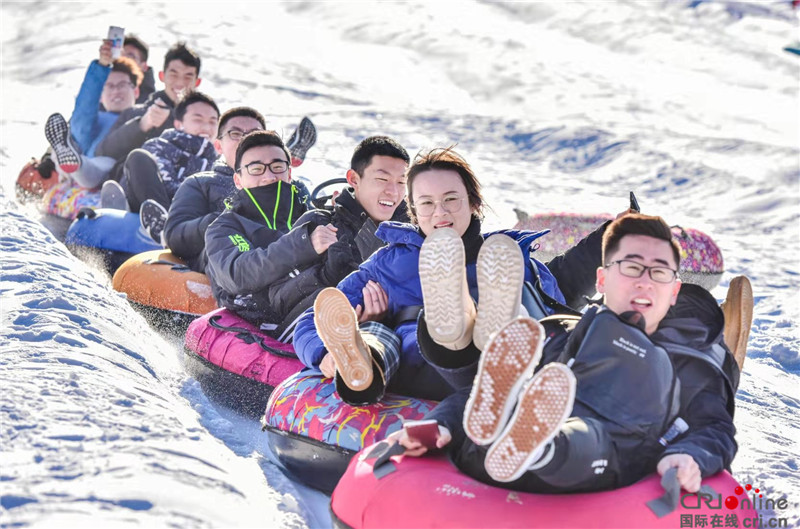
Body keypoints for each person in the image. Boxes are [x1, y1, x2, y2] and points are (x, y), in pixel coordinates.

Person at [394, 213, 743, 496]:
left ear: (673, 291)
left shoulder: (691, 358)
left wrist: (690, 455)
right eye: (632, 267)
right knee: (518, 395)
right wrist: (442, 423)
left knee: (587, 438)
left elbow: (714, 428)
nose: (645, 282)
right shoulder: (567, 333)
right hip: (512, 459)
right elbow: (487, 390)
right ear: (602, 280)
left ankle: (541, 445)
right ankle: (513, 435)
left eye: (660, 272)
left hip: (607, 454)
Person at [293, 147, 607, 406]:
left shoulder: (510, 259)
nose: (439, 212)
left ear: (473, 202)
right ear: (414, 211)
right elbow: (312, 321)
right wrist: (324, 354)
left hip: (499, 366)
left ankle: (489, 326)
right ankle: (362, 364)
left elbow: (556, 319)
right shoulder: (388, 262)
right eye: (426, 203)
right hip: (418, 367)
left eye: (451, 199)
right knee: (376, 334)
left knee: (524, 314)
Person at [260, 135, 411, 341]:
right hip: (317, 335)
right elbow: (278, 300)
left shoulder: (411, 232)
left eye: (402, 182)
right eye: (382, 179)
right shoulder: (320, 224)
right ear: (354, 179)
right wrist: (325, 277)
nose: (393, 191)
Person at [205, 130, 324, 336]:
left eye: (277, 167)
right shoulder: (224, 227)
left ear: (289, 173)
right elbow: (239, 274)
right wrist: (304, 244)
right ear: (238, 179)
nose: (269, 176)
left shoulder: (312, 217)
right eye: (256, 168)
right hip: (264, 323)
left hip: (323, 305)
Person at [162, 107, 266, 271]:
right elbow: (175, 237)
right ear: (218, 145)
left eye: (255, 135)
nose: (246, 140)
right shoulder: (200, 183)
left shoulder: (289, 186)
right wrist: (223, 219)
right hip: (228, 268)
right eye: (235, 134)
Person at [109, 91, 220, 242]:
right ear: (178, 123)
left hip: (192, 223)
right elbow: (163, 183)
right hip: (155, 206)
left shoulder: (218, 163)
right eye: (198, 119)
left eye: (213, 121)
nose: (207, 127)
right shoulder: (161, 146)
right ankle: (160, 223)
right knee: (138, 158)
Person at [96, 42, 202, 183]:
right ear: (162, 76)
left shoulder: (207, 118)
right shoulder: (136, 113)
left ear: (197, 81)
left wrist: (170, 120)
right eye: (173, 74)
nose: (180, 82)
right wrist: (141, 125)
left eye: (188, 76)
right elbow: (103, 151)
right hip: (136, 184)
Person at [43, 39, 143, 189]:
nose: (116, 91)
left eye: (122, 85)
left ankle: (76, 165)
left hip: (114, 169)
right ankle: (69, 163)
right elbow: (83, 110)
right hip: (83, 156)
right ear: (101, 96)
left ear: (136, 91)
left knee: (105, 164)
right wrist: (102, 66)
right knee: (80, 131)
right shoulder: (97, 119)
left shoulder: (142, 116)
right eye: (109, 86)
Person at [122, 34, 155, 104]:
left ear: (144, 67)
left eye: (130, 57)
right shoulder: (106, 94)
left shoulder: (153, 103)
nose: (123, 61)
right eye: (120, 56)